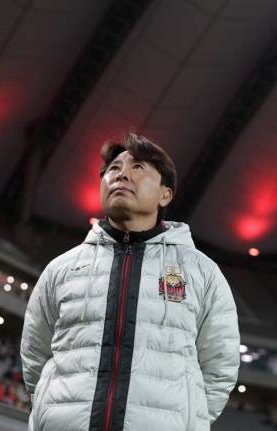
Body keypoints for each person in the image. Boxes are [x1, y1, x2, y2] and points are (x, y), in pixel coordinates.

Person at [21, 133, 240, 431]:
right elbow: (35, 355)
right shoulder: (61, 269)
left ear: (165, 194)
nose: (121, 174)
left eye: (137, 167)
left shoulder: (202, 273)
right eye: (114, 168)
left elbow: (220, 367)